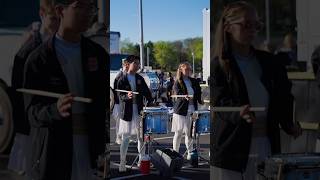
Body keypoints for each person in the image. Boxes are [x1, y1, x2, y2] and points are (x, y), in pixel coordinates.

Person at [211, 1, 301, 180]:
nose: (252, 30)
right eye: (246, 25)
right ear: (228, 27)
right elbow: (219, 102)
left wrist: (289, 124)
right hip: (231, 151)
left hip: (266, 147)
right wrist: (238, 112)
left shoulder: (270, 62)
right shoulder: (219, 66)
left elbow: (283, 97)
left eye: (256, 25)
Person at [23, 0, 108, 179]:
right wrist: (55, 109)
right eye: (80, 6)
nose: (88, 13)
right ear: (60, 10)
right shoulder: (39, 59)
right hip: (55, 153)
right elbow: (31, 113)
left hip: (91, 153)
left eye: (92, 8)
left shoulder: (97, 54)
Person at [8, 0, 59, 175]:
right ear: (42, 15)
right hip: (32, 120)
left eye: (59, 18)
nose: (56, 24)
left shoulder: (57, 41)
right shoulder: (29, 48)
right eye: (53, 18)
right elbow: (18, 90)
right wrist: (23, 125)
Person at [116, 55, 152, 172]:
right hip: (126, 111)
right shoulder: (121, 78)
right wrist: (127, 96)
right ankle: (122, 162)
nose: (137, 65)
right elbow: (119, 95)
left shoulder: (140, 78)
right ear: (128, 64)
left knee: (140, 137)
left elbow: (147, 92)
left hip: (139, 110)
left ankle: (141, 160)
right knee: (126, 137)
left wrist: (151, 100)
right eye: (135, 63)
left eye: (138, 63)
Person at [171, 62, 203, 159]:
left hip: (192, 109)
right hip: (181, 110)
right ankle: (175, 154)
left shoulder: (194, 81)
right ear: (181, 70)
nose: (189, 71)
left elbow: (198, 93)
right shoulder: (177, 82)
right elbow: (177, 92)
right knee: (179, 133)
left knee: (190, 133)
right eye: (186, 69)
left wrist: (200, 99)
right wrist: (183, 96)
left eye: (190, 69)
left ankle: (190, 153)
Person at [112, 58, 129, 145]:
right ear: (123, 65)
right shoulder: (119, 75)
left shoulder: (129, 75)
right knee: (119, 120)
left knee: (125, 120)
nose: (127, 66)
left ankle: (124, 137)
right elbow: (115, 90)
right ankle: (118, 137)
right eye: (125, 65)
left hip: (125, 102)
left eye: (128, 64)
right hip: (119, 102)